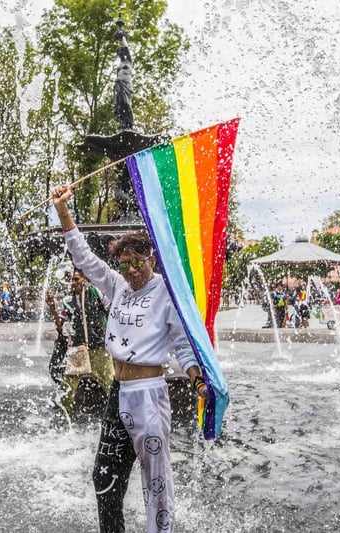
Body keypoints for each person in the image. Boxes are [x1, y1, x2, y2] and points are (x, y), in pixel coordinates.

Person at [52, 183, 208, 533]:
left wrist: (196, 378)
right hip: (117, 394)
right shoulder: (118, 285)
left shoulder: (168, 294)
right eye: (124, 264)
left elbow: (183, 345)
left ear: (151, 259)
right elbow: (83, 257)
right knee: (103, 479)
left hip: (149, 397)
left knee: (156, 486)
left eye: (137, 262)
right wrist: (63, 210)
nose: (131, 270)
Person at [46, 268, 114, 418]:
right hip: (78, 349)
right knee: (67, 388)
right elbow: (61, 326)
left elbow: (111, 310)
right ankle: (65, 418)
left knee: (110, 383)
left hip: (98, 347)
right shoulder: (68, 300)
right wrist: (52, 307)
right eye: (71, 280)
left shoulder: (96, 292)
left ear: (85, 279)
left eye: (77, 279)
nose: (73, 283)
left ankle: (119, 416)